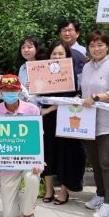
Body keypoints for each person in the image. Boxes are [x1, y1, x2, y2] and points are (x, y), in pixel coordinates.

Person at [79, 31, 109, 217]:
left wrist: (97, 97)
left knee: (108, 162)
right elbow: (85, 91)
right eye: (92, 45)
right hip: (89, 122)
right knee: (95, 160)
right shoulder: (87, 67)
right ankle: (100, 194)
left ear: (106, 46)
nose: (96, 49)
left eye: (100, 45)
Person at [0, 75, 42, 217]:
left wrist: (38, 160)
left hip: (29, 159)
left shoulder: (32, 109)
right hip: (8, 163)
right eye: (6, 89)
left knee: (32, 176)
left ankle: (28, 214)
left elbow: (38, 137)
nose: (9, 92)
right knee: (9, 216)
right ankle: (25, 196)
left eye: (13, 89)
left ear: (19, 90)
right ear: (0, 91)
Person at [40, 41, 86, 205]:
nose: (57, 57)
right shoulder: (42, 73)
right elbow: (37, 95)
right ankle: (49, 189)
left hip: (67, 118)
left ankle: (64, 191)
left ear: (67, 56)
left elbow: (70, 98)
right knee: (47, 152)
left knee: (66, 154)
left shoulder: (71, 75)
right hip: (47, 120)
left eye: (61, 54)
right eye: (54, 54)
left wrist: (50, 109)